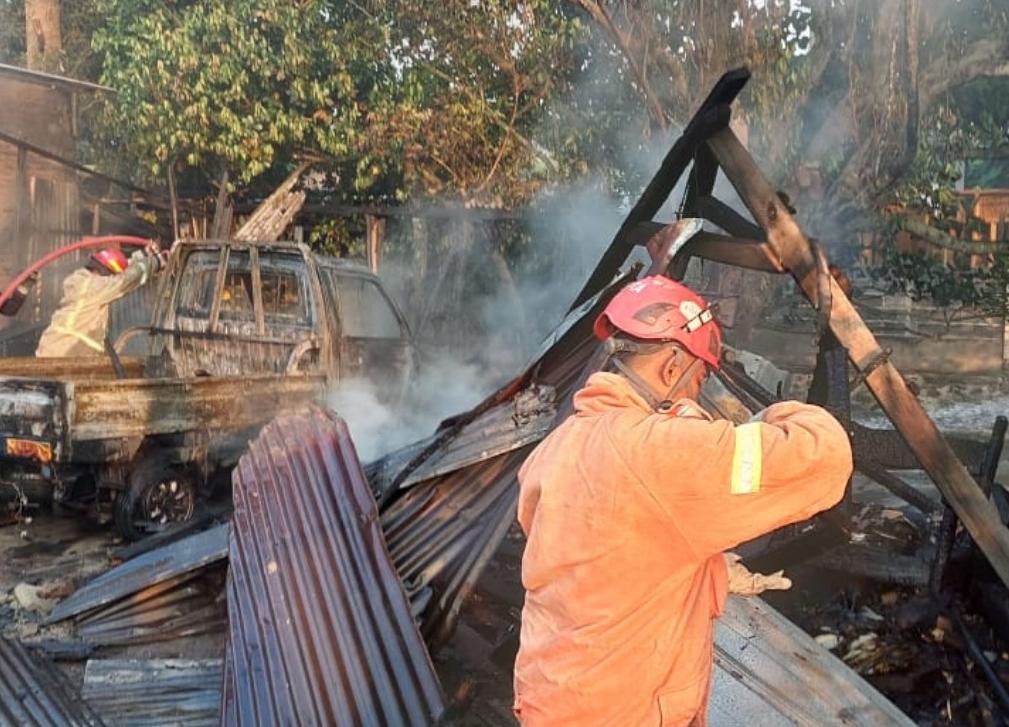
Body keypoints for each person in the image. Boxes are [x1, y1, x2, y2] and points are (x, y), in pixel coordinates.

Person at [513, 275, 853, 727]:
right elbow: (824, 456)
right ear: (672, 368)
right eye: (700, 379)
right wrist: (767, 415)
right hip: (623, 712)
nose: (698, 393)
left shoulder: (557, 447)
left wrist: (707, 571)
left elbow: (599, 562)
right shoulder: (665, 450)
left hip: (553, 698)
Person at [36, 243, 165, 358]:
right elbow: (124, 280)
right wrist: (155, 262)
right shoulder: (92, 287)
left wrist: (142, 256)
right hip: (63, 354)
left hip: (66, 353)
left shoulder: (85, 281)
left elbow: (120, 271)